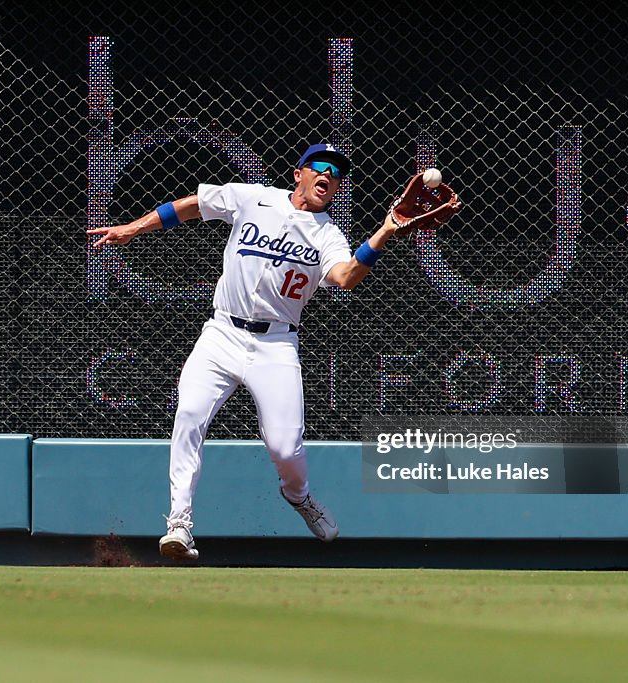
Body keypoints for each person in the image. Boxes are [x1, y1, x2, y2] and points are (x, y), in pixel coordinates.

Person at [90, 143, 405, 561]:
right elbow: (192, 205)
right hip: (222, 333)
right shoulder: (253, 197)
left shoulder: (328, 234)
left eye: (337, 172)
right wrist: (133, 228)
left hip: (275, 343)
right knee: (188, 416)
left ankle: (300, 496)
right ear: (299, 174)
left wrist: (383, 234)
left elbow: (346, 277)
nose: (328, 175)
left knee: (284, 448)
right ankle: (179, 524)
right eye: (320, 167)